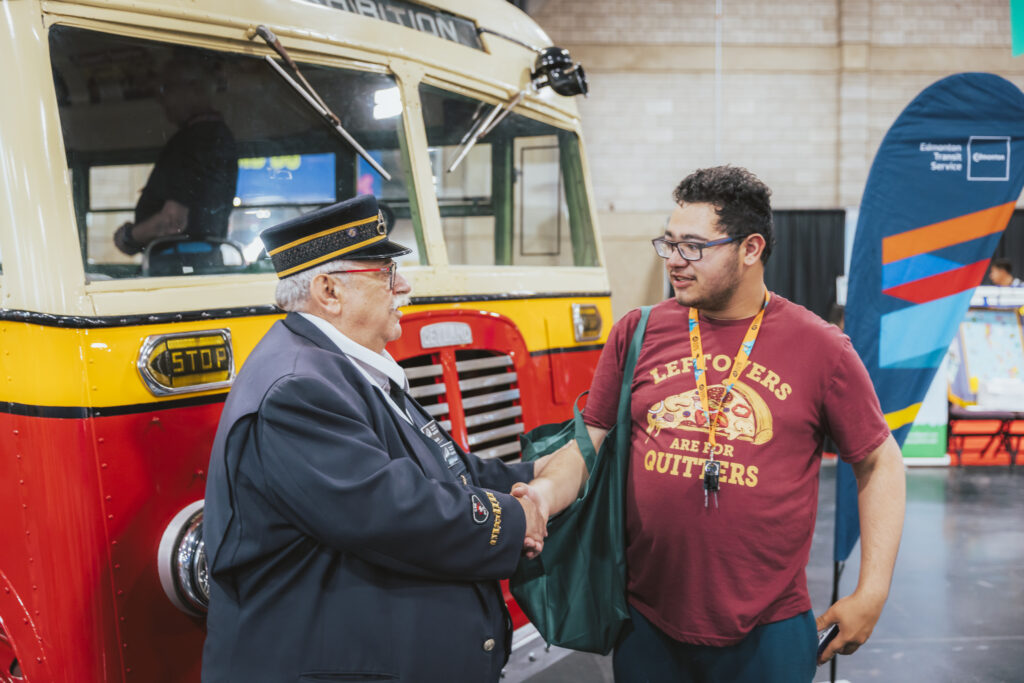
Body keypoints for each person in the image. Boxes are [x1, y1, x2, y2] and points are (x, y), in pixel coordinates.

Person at [515, 166, 906, 682]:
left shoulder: (821, 348)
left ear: (750, 249)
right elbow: (588, 443)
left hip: (769, 629)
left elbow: (879, 459)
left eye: (694, 247)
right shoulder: (638, 332)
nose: (675, 261)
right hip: (646, 621)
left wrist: (872, 591)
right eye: (670, 243)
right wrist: (541, 497)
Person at [202, 195, 549, 682]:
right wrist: (517, 517)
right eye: (386, 273)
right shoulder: (298, 388)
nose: (404, 287)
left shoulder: (345, 368)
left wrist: (539, 474)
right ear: (329, 291)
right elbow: (394, 513)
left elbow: (443, 466)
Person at [114, 51, 237, 256]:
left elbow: (173, 221)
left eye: (166, 88)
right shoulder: (214, 135)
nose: (161, 98)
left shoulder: (196, 138)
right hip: (196, 258)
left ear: (194, 88)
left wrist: (129, 237)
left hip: (179, 259)